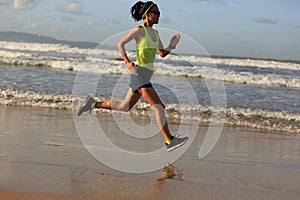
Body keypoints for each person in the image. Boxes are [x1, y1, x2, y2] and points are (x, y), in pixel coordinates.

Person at [78, 1, 188, 152]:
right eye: (156, 13)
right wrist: (127, 62)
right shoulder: (139, 30)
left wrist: (172, 45)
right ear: (147, 14)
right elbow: (120, 44)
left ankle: (92, 103)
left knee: (125, 107)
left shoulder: (155, 34)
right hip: (139, 73)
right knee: (159, 107)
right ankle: (169, 140)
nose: (158, 16)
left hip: (145, 75)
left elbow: (162, 54)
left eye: (159, 13)